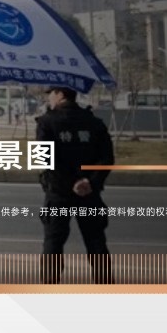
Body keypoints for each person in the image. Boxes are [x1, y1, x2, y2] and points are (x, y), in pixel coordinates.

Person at [35, 85, 115, 284]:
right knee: (96, 241)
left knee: (54, 242)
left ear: (60, 94)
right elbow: (107, 158)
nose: (49, 99)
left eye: (51, 94)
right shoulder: (94, 122)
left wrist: (71, 182)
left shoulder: (46, 122)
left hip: (58, 193)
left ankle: (49, 288)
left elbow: (45, 159)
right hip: (89, 193)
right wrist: (89, 181)